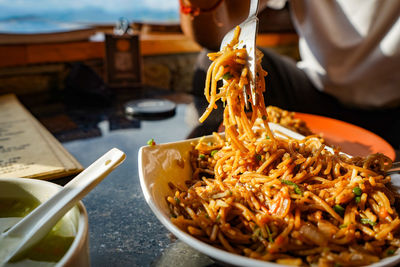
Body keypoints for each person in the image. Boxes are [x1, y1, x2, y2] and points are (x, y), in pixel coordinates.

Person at [180, 0, 400, 149]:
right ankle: (218, 156)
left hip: (395, 107)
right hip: (317, 89)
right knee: (219, 63)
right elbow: (220, 28)